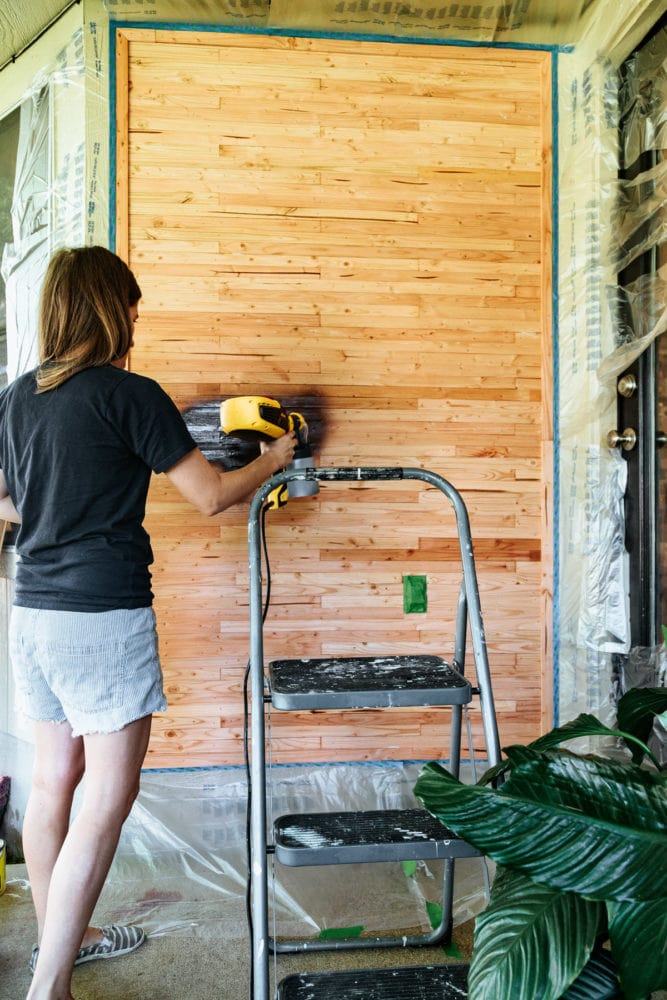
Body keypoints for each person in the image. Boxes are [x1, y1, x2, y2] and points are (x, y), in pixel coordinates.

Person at [0, 245, 296, 1000]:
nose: (136, 324)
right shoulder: (128, 395)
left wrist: (53, 513)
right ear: (107, 310)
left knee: (53, 780)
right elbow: (211, 495)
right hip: (101, 615)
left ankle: (64, 938)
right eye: (131, 311)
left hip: (31, 612)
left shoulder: (16, 395)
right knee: (108, 795)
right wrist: (277, 458)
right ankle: (49, 985)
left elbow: (5, 507)